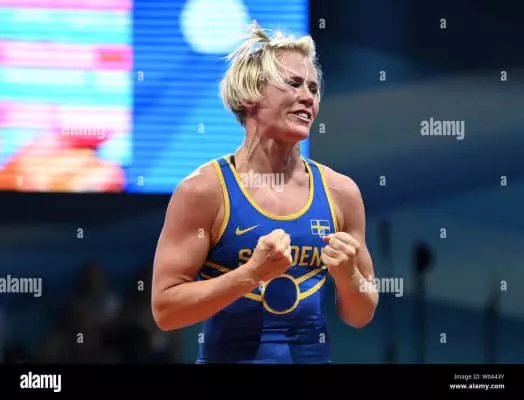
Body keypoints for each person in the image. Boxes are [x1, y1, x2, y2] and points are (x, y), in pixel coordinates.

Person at [151, 22, 378, 364]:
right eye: (294, 83)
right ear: (250, 94)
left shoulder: (340, 192)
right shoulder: (203, 191)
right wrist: (251, 274)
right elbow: (166, 311)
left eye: (314, 88)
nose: (309, 97)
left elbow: (361, 314)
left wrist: (348, 277)